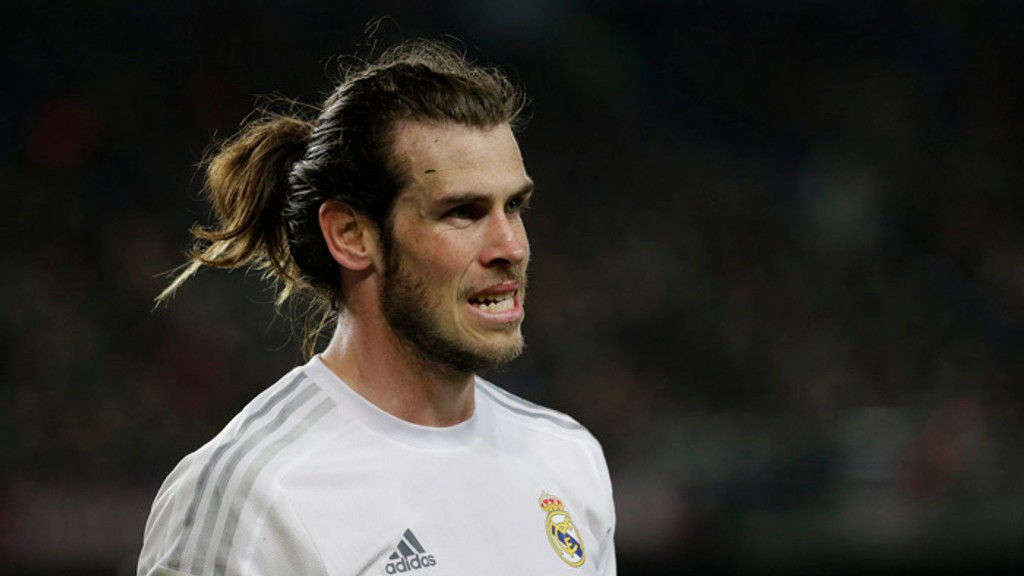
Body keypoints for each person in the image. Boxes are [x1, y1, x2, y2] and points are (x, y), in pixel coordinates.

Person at [138, 39, 616, 575]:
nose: (512, 246)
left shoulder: (568, 458)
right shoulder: (255, 497)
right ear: (350, 235)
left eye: (515, 206)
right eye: (463, 212)